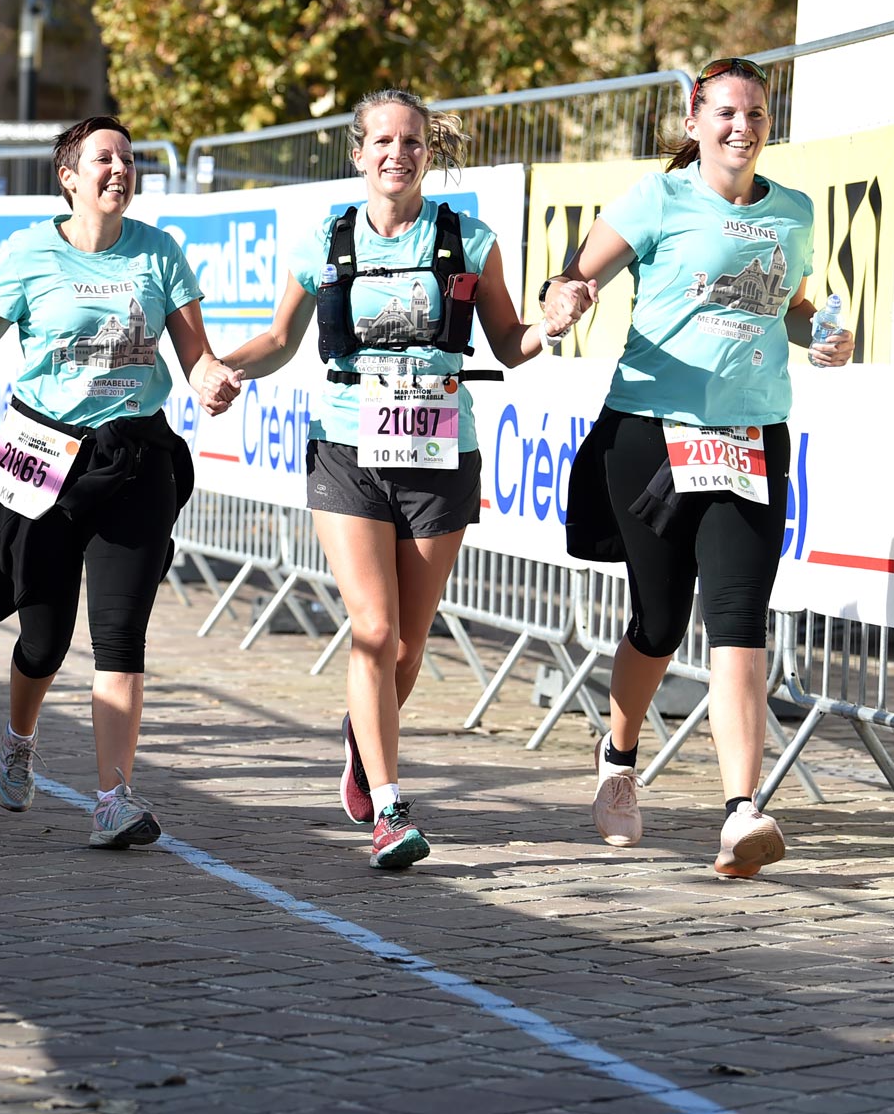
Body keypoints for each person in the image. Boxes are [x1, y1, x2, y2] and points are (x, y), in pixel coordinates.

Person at [220, 89, 577, 869]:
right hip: (347, 446)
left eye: (411, 142)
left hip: (440, 452)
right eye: (382, 141)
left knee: (409, 645)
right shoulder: (324, 237)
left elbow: (510, 344)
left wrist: (548, 325)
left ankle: (362, 741)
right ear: (358, 153)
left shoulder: (469, 239)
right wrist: (224, 367)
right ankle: (389, 805)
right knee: (373, 630)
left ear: (428, 153)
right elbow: (281, 338)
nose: (397, 154)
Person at [0, 115, 241, 849]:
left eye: (129, 160)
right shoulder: (28, 254)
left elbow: (196, 358)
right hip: (45, 461)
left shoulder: (159, 254)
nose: (120, 170)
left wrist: (212, 381)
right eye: (104, 159)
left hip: (135, 460)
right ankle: (19, 739)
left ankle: (113, 798)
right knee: (44, 638)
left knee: (120, 635)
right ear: (68, 176)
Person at [550, 56, 851, 879]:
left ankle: (742, 813)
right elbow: (576, 276)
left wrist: (818, 334)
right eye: (725, 113)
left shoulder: (793, 212)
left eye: (755, 114)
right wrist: (564, 299)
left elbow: (787, 304)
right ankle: (618, 757)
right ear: (694, 122)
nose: (741, 128)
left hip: (752, 435)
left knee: (740, 617)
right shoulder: (658, 199)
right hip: (651, 437)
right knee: (659, 622)